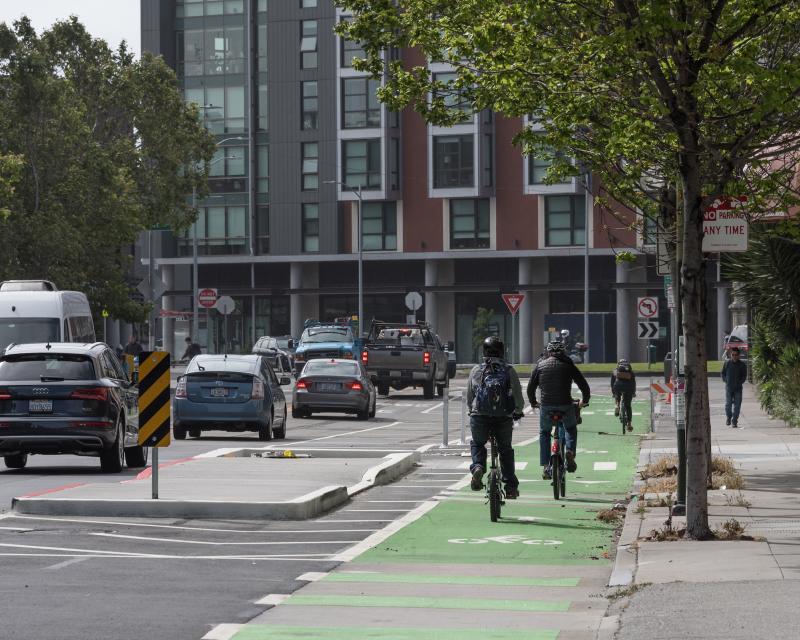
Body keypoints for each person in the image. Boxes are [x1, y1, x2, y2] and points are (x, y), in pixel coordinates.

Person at [466, 336, 525, 499]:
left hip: (479, 417)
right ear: (502, 351)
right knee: (505, 449)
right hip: (503, 417)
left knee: (478, 444)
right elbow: (518, 396)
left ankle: (478, 466)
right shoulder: (508, 370)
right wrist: (518, 410)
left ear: (483, 352)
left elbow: (470, 396)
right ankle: (511, 486)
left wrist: (471, 410)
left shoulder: (476, 370)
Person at [527, 340, 591, 479]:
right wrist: (585, 400)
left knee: (544, 432)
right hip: (565, 405)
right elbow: (583, 384)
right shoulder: (568, 364)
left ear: (548, 352)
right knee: (570, 429)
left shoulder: (540, 365)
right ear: (563, 351)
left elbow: (530, 387)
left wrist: (533, 402)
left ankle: (545, 466)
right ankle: (569, 452)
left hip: (546, 405)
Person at [721, 347, 748, 427]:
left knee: (737, 406)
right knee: (728, 405)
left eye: (736, 355)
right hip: (729, 388)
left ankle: (734, 420)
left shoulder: (742, 365)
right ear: (730, 355)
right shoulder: (727, 363)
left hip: (738, 389)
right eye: (733, 355)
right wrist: (726, 380)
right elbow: (723, 373)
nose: (734, 356)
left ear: (739, 355)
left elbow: (744, 376)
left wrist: (740, 382)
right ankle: (729, 417)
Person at [611, 358, 637, 432]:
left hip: (618, 386)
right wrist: (633, 392)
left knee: (617, 396)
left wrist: (613, 392)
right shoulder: (631, 372)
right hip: (628, 387)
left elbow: (612, 383)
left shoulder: (615, 371)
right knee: (628, 405)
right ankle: (629, 424)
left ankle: (617, 405)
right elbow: (633, 383)